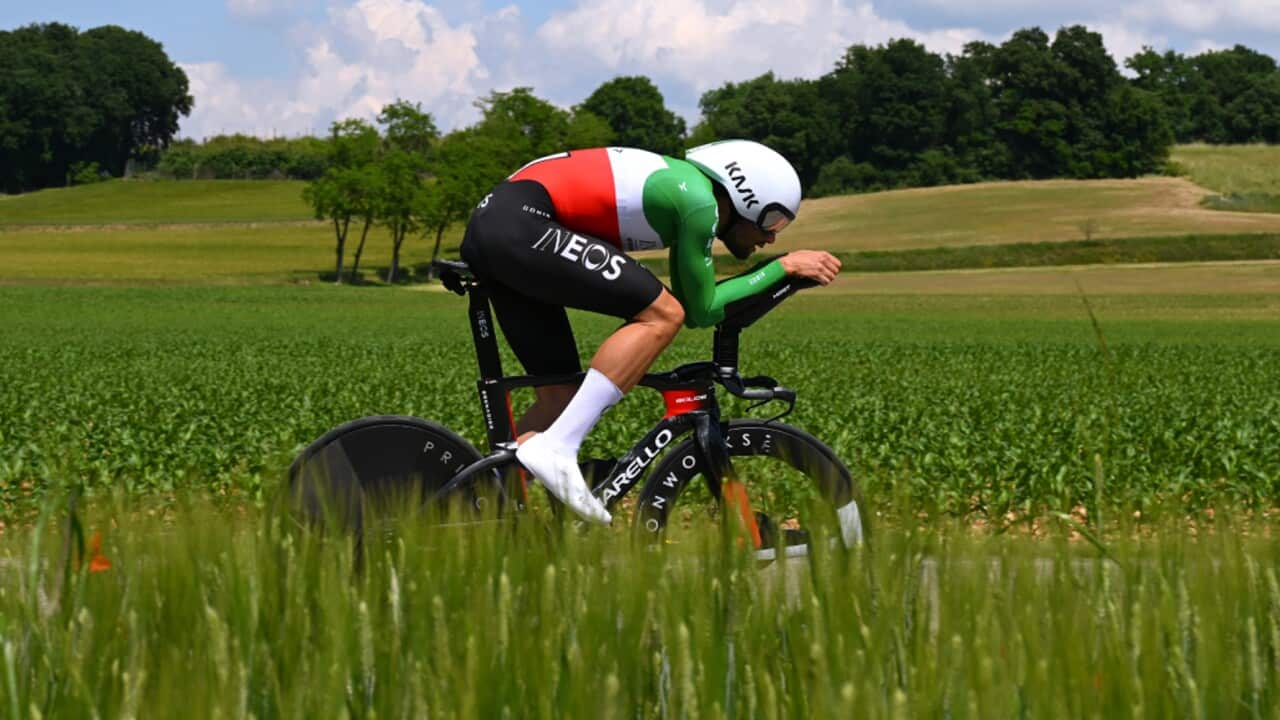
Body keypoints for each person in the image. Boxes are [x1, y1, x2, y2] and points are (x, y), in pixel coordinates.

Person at [459, 140, 841, 524]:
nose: (772, 237)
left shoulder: (684, 190)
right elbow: (699, 310)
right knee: (663, 314)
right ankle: (557, 448)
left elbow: (700, 303)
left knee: (559, 396)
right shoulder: (698, 201)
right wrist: (783, 267)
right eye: (773, 222)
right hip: (520, 225)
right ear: (747, 197)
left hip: (503, 226)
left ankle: (471, 504)